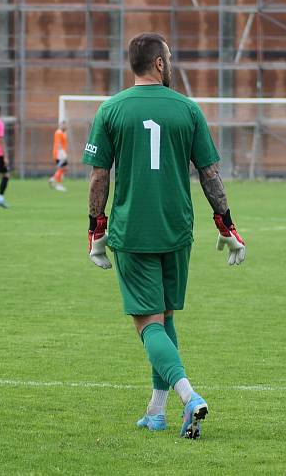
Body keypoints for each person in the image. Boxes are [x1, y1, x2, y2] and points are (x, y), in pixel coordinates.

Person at [83, 32, 246, 440]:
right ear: (158, 63)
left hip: (133, 231)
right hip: (177, 230)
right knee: (165, 318)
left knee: (147, 323)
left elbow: (98, 175)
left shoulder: (111, 109)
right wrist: (227, 225)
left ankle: (188, 395)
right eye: (169, 58)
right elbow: (210, 174)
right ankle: (156, 412)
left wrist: (95, 230)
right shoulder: (188, 109)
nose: (170, 63)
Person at [48, 121, 68, 192]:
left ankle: (53, 179)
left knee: (63, 168)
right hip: (59, 154)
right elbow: (58, 144)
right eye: (64, 125)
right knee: (61, 168)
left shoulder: (62, 133)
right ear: (60, 125)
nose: (65, 126)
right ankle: (58, 185)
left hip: (61, 153)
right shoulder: (58, 133)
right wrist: (62, 154)